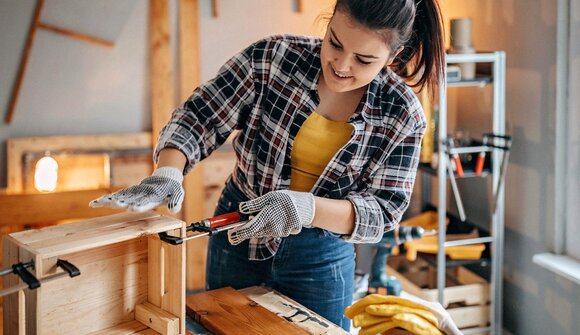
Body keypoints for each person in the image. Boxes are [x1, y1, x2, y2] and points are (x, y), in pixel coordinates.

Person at [90, 0, 445, 330]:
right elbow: (200, 116)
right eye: (335, 43)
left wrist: (304, 208)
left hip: (321, 255)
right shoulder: (274, 57)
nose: (341, 65)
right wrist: (168, 169)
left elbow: (383, 212)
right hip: (239, 229)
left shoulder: (402, 113)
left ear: (394, 54)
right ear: (329, 22)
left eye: (364, 60)